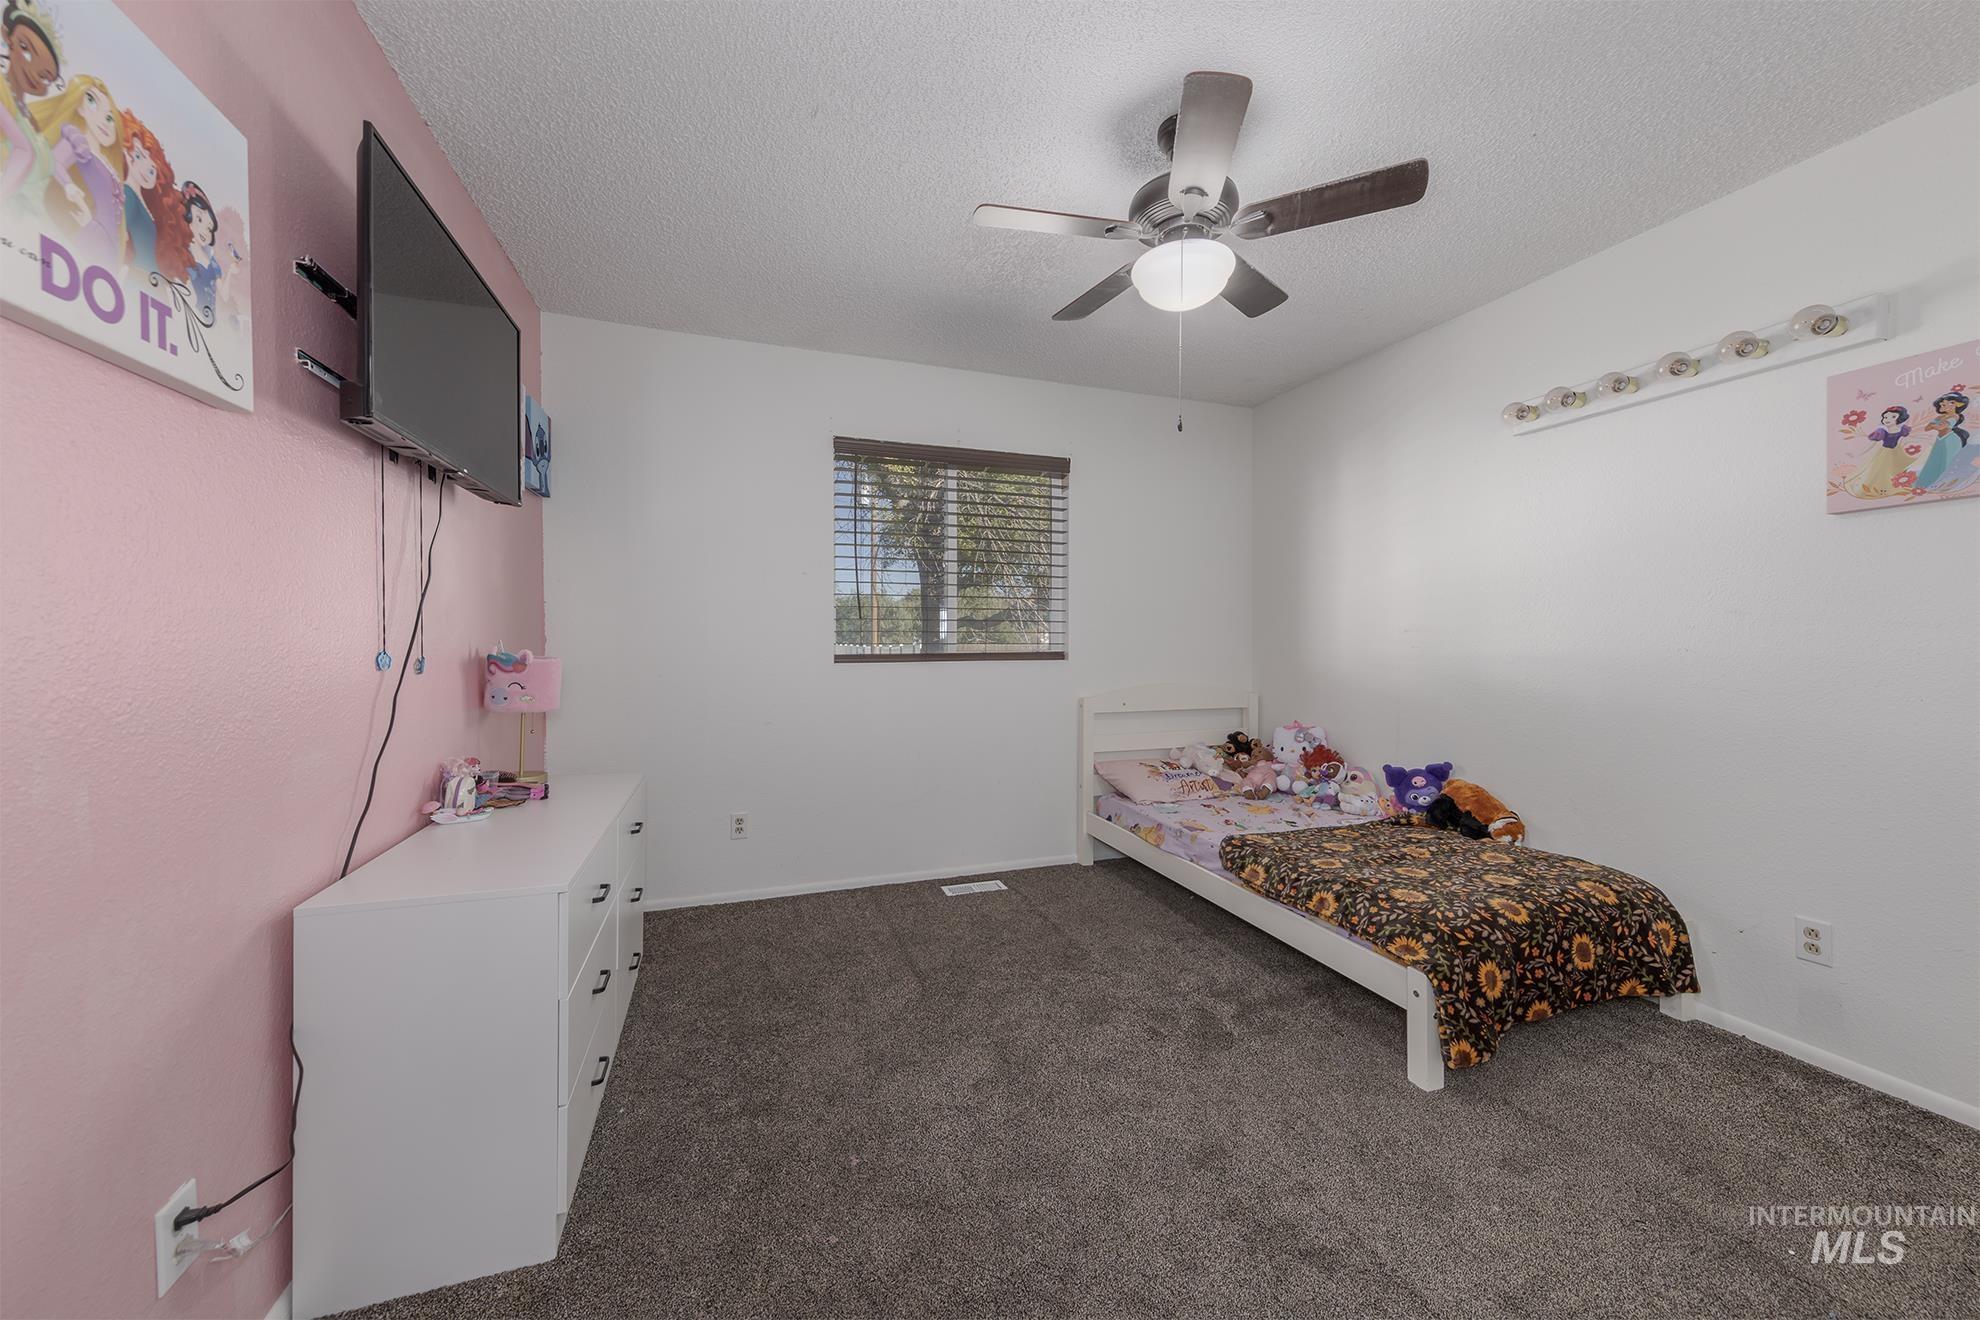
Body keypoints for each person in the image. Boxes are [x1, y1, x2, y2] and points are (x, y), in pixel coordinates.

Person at [35, 73, 125, 270]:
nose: (104, 121)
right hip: (89, 233)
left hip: (109, 243)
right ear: (80, 107)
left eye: (110, 117)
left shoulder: (110, 166)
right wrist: (69, 186)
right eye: (92, 102)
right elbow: (55, 161)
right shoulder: (77, 141)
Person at [0, 0, 61, 215]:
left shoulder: (31, 120)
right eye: (26, 49)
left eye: (46, 76)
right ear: (7, 36)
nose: (34, 73)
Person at [119, 109, 189, 283]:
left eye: (152, 168)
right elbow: (117, 233)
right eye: (137, 156)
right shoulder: (128, 194)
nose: (145, 169)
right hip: (138, 280)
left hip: (150, 285)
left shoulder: (142, 202)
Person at [1840, 406, 1913, 500]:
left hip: (1897, 451)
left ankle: (1900, 481)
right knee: (1880, 471)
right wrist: (1858, 454)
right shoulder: (1882, 431)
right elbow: (1872, 445)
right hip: (1885, 453)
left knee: (1898, 467)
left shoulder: (1902, 429)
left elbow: (1906, 437)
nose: (1887, 419)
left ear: (1900, 418)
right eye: (1886, 417)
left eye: (1893, 417)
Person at [1910, 391, 1970, 492]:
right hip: (1940, 439)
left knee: (1947, 461)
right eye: (1942, 404)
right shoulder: (1939, 417)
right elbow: (1927, 428)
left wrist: (1935, 426)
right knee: (1935, 459)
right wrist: (1935, 426)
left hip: (1951, 440)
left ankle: (1945, 483)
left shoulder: (1955, 416)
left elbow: (1942, 426)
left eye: (1946, 404)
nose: (1943, 406)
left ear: (1955, 404)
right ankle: (1930, 481)